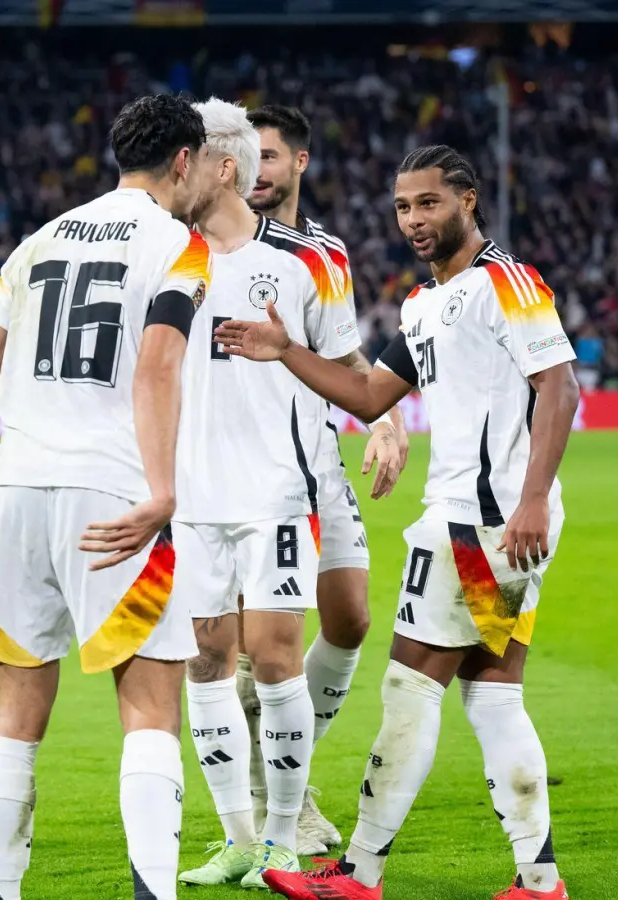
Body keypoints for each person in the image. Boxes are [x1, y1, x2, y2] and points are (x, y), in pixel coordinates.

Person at [214, 145, 577, 900]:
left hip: (479, 525)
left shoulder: (504, 284)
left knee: (411, 688)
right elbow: (368, 395)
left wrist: (534, 498)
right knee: (494, 693)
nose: (414, 220)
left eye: (429, 204)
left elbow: (560, 388)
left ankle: (360, 873)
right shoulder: (423, 303)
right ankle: (539, 879)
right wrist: (285, 350)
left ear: (468, 201)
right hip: (485, 526)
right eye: (403, 207)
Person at [0, 93, 212, 900]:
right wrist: (163, 491)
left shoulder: (38, 241)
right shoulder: (179, 244)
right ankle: (153, 892)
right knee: (152, 703)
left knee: (16, 708)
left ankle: (2, 890)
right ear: (185, 161)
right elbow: (158, 364)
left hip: (18, 488)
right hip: (113, 493)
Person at [169, 98, 363, 890]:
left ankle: (285, 837)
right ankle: (240, 837)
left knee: (277, 658)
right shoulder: (164, 257)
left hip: (279, 493)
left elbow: (349, 371)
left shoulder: (303, 261)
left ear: (222, 166)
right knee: (207, 659)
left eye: (186, 159)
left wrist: (374, 423)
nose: (172, 174)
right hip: (189, 498)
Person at [224, 103, 409, 855]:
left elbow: (345, 356)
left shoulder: (326, 253)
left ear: (298, 162)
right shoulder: (210, 245)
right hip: (243, 471)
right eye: (245, 158)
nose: (254, 172)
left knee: (352, 619)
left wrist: (384, 419)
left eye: (268, 157)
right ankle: (278, 805)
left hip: (318, 461)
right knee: (258, 646)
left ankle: (285, 769)